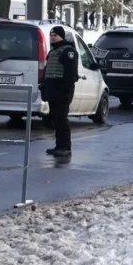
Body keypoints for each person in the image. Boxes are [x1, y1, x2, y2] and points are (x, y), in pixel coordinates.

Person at [40, 26, 79, 163]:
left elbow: (70, 74)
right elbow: (47, 72)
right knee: (56, 119)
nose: (52, 37)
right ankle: (59, 145)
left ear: (62, 36)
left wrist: (66, 91)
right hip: (53, 91)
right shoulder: (53, 51)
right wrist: (44, 87)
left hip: (62, 91)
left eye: (55, 35)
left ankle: (66, 147)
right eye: (51, 35)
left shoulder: (68, 52)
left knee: (62, 119)